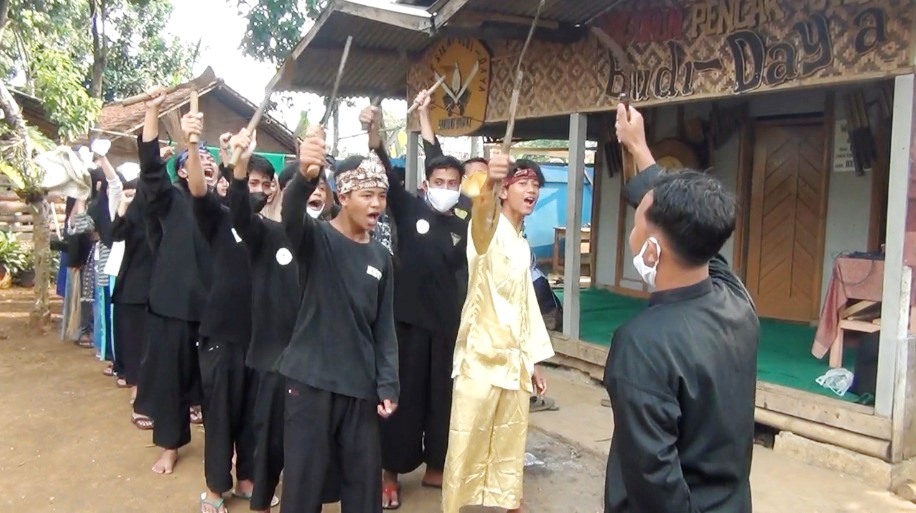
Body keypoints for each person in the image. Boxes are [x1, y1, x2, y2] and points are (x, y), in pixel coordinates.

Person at [602, 103, 758, 513]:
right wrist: (640, 148)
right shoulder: (738, 302)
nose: (633, 231)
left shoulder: (641, 343)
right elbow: (701, 230)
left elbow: (655, 479)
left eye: (638, 224)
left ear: (652, 251)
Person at [278, 128, 398, 513]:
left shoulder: (381, 257)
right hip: (310, 382)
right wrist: (305, 175)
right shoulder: (315, 240)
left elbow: (384, 327)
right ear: (343, 197)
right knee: (304, 484)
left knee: (364, 487)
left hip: (359, 387)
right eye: (367, 195)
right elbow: (291, 213)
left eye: (381, 195)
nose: (376, 203)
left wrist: (387, 383)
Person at [359, 102, 468, 509]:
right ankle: (389, 470)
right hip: (405, 324)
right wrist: (377, 131)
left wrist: (428, 122)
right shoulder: (408, 209)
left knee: (441, 399)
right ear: (426, 184)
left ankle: (436, 464)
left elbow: (439, 155)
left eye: (451, 181)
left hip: (445, 328)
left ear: (459, 185)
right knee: (401, 400)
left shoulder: (464, 217)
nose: (444, 185)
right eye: (438, 179)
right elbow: (386, 165)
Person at [228, 131, 336, 513]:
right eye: (303, 185)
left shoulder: (332, 243)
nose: (313, 193)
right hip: (275, 364)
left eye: (319, 184)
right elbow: (238, 213)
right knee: (270, 446)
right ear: (282, 192)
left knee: (311, 454)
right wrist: (239, 165)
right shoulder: (264, 235)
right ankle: (260, 503)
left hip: (318, 368)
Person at [442, 154, 554, 513]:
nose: (531, 190)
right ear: (506, 190)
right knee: (466, 438)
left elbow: (527, 304)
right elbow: (481, 216)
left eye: (536, 185)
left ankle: (511, 504)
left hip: (514, 360)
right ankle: (455, 506)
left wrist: (534, 360)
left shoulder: (522, 243)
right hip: (480, 356)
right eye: (523, 183)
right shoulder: (487, 234)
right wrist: (490, 180)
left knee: (510, 440)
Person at [180, 114, 260, 513]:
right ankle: (215, 488)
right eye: (249, 182)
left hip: (258, 339)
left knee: (251, 414)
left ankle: (247, 479)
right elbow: (197, 186)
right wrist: (193, 144)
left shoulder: (266, 228)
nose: (255, 189)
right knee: (221, 415)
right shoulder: (217, 217)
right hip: (221, 336)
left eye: (265, 184)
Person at [132, 88, 212, 475]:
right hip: (174, 307)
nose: (205, 166)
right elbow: (149, 166)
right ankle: (169, 446)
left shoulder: (224, 210)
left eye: (211, 165)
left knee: (218, 384)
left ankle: (225, 447)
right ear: (181, 171)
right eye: (198, 161)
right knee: (171, 380)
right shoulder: (170, 200)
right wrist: (152, 111)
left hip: (215, 312)